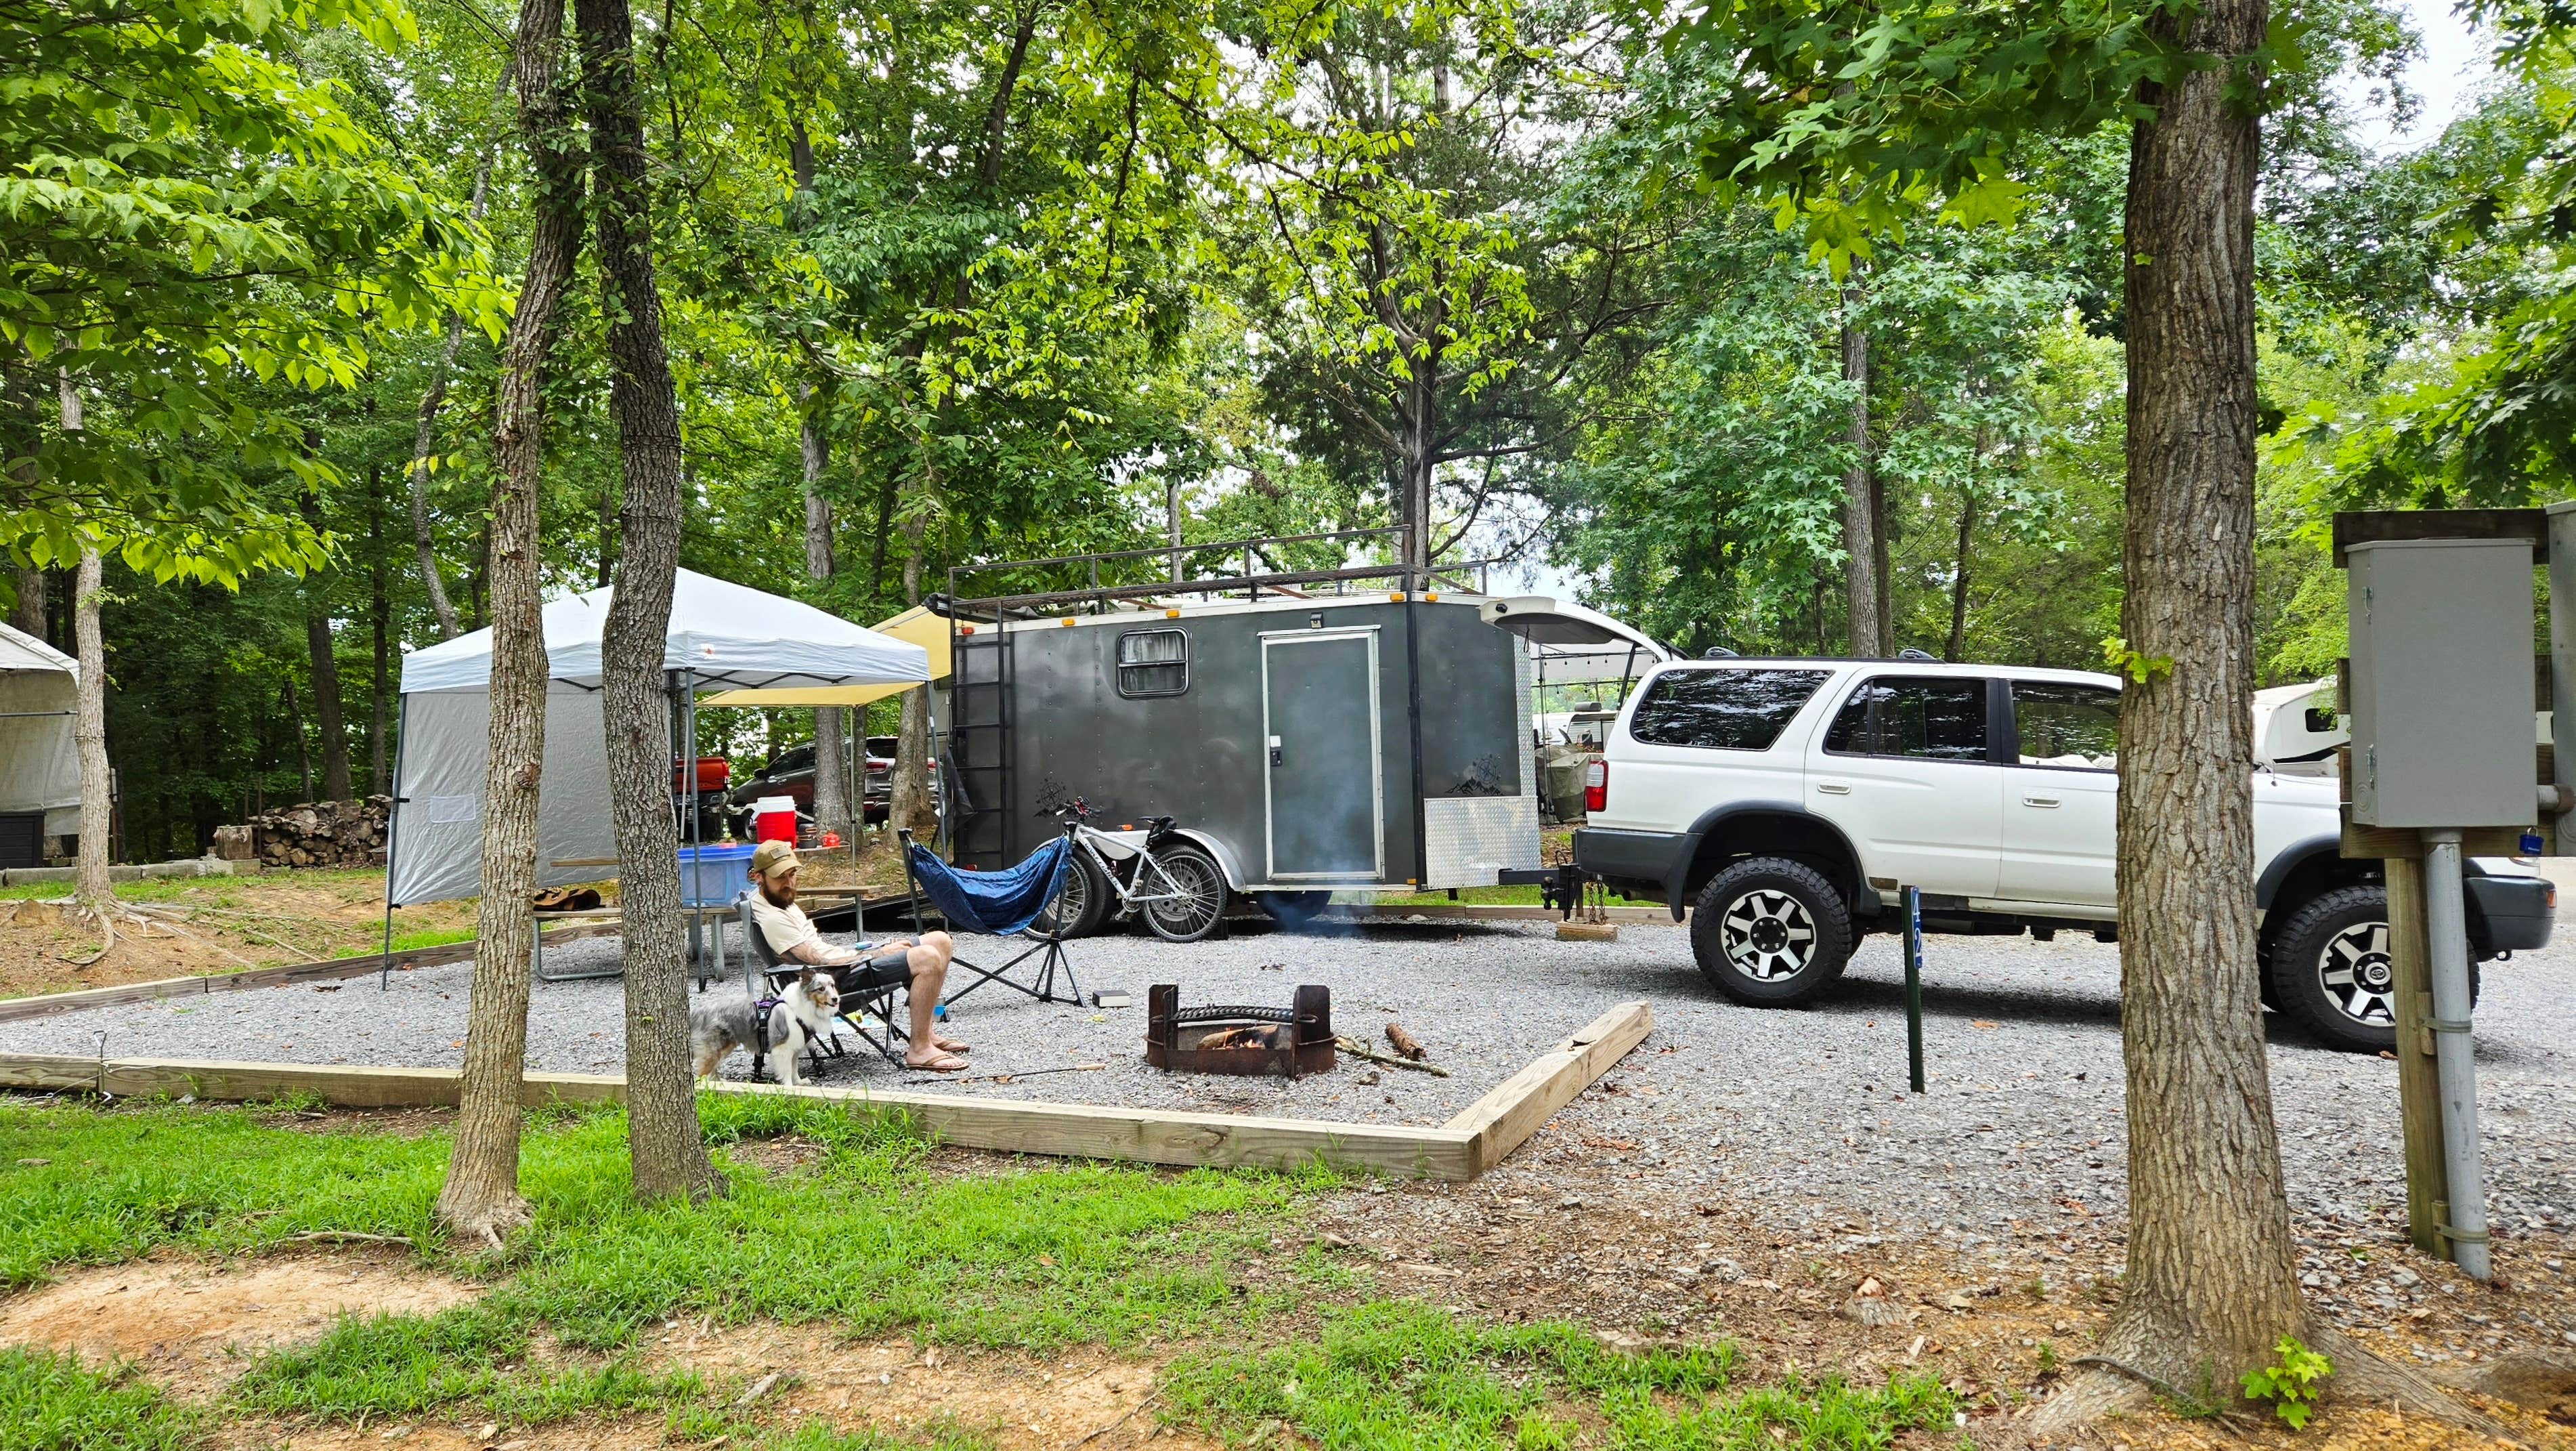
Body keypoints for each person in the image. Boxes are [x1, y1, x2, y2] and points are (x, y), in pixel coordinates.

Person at [744, 839, 967, 1072]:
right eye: (780, 877)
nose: (789, 883)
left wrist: (861, 952)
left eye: (792, 874)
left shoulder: (779, 901)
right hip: (831, 985)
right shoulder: (772, 918)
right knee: (928, 957)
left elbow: (822, 952)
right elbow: (816, 960)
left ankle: (926, 1034)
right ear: (759, 877)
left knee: (940, 940)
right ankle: (919, 1049)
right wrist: (877, 953)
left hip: (841, 966)